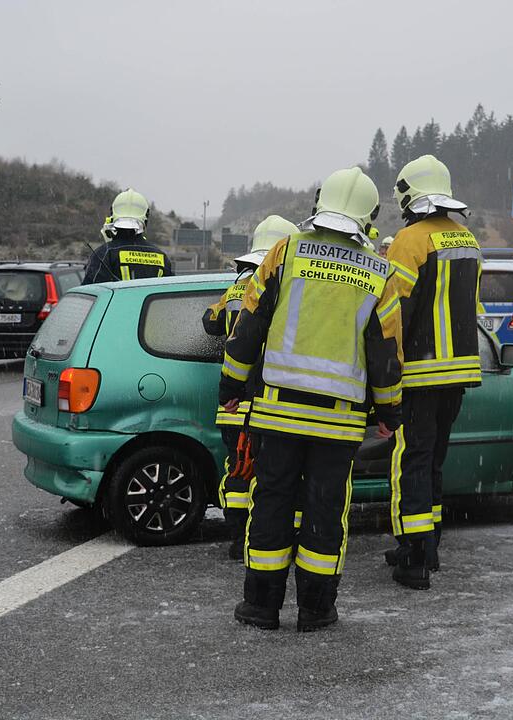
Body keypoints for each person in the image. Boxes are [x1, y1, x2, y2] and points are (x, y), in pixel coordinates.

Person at [218, 167, 403, 631]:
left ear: (320, 203)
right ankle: (316, 609)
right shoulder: (380, 272)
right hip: (337, 424)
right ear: (369, 215)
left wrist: (231, 386)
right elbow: (386, 354)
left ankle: (261, 606)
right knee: (325, 510)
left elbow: (249, 327)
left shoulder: (286, 252)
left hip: (277, 412)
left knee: (272, 503)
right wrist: (390, 411)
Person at [381, 155, 483, 590]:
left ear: (410, 194)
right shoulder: (469, 240)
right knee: (434, 460)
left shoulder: (409, 239)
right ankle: (429, 545)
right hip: (458, 373)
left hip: (420, 374)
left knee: (411, 461)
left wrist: (385, 371)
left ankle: (414, 557)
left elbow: (393, 313)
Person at [202, 215, 299, 560]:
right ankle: (265, 537)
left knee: (237, 469)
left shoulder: (235, 288)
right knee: (270, 473)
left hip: (232, 403)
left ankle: (237, 536)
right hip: (266, 401)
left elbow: (210, 322)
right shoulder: (281, 288)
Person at [83, 188, 174, 284]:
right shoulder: (161, 257)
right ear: (146, 218)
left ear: (112, 215)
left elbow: (89, 292)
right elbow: (170, 294)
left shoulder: (105, 254)